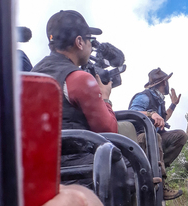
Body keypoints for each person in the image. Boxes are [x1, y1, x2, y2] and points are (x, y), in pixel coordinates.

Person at [31, 10, 136, 187]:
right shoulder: (79, 78)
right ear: (79, 42)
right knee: (132, 166)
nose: (91, 46)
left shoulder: (34, 72)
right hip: (77, 170)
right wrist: (105, 98)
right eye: (89, 40)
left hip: (39, 168)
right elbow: (108, 130)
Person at [129, 68, 188, 200]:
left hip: (156, 138)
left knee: (181, 136)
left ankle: (159, 167)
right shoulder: (144, 96)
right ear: (163, 83)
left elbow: (163, 119)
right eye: (166, 82)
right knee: (154, 137)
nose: (167, 85)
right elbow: (133, 112)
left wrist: (173, 105)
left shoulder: (159, 100)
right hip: (141, 137)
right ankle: (161, 182)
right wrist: (151, 114)